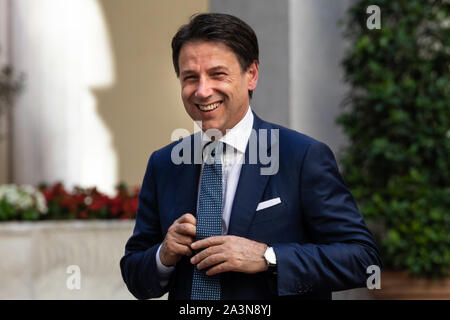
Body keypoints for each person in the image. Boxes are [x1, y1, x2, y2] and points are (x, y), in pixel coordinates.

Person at [120, 13, 381, 300]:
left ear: (252, 75)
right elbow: (135, 274)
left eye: (218, 74)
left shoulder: (302, 157)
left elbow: (362, 260)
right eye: (190, 78)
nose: (203, 91)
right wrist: (164, 254)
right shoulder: (164, 164)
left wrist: (267, 257)